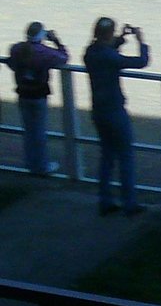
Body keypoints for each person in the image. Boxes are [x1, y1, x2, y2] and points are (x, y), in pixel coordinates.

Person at [83, 17, 149, 216]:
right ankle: (129, 203)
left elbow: (107, 48)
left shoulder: (90, 53)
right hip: (114, 111)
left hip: (98, 111)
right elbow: (141, 62)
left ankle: (105, 200)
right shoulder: (109, 57)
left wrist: (121, 38)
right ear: (109, 34)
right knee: (126, 157)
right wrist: (141, 41)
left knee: (107, 157)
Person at [6, 22, 69, 176]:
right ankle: (41, 166)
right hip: (38, 95)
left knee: (28, 131)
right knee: (39, 132)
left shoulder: (16, 49)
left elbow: (11, 63)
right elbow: (64, 57)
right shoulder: (45, 53)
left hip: (23, 93)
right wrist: (56, 40)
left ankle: (30, 163)